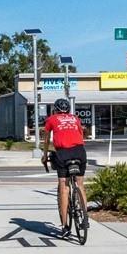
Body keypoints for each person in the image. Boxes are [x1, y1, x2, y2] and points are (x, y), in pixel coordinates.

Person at [41, 98, 88, 239]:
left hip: (63, 153)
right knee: (80, 184)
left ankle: (65, 226)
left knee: (64, 186)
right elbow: (80, 134)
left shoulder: (51, 119)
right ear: (68, 110)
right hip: (80, 151)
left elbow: (47, 139)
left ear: (55, 109)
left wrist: (44, 155)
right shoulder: (75, 118)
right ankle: (85, 218)